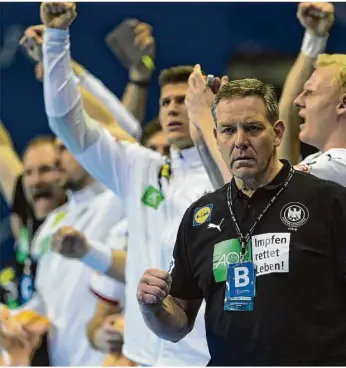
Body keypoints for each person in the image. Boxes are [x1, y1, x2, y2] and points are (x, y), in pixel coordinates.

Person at [40, 2, 211, 366]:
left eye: (184, 100)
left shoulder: (228, 177)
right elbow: (67, 123)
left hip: (203, 357)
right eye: (165, 101)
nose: (172, 108)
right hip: (141, 357)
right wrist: (56, 40)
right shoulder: (140, 167)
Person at [137, 78, 346, 366]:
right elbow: (178, 324)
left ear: (277, 133)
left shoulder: (328, 202)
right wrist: (152, 308)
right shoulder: (200, 217)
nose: (240, 141)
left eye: (252, 128)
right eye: (228, 130)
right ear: (217, 137)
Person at [0, 138, 126, 366]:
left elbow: (122, 126)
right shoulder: (50, 225)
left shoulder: (117, 200)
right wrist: (17, 320)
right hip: (64, 360)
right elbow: (44, 297)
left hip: (108, 356)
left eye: (65, 148)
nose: (58, 159)